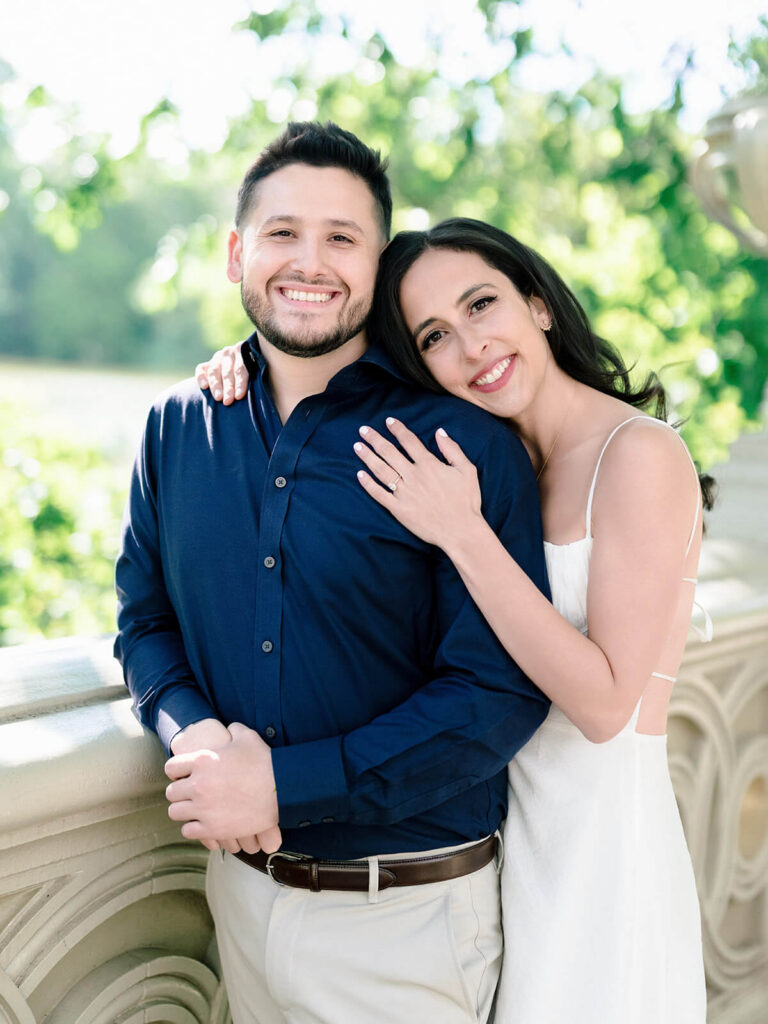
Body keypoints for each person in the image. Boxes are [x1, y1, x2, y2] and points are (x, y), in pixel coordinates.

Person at [200, 216, 712, 1022]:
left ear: (538, 303)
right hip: (498, 850)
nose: (471, 347)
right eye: (435, 334)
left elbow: (607, 705)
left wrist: (466, 535)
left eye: (482, 305)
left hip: (600, 856)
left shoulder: (637, 454)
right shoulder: (496, 458)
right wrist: (249, 363)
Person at [114, 123, 551, 1024]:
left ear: (378, 265)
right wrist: (191, 734)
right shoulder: (175, 429)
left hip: (404, 924)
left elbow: (495, 694)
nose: (308, 262)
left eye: (341, 238)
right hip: (234, 898)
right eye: (282, 233)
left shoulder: (459, 443)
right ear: (238, 251)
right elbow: (144, 620)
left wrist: (282, 784)